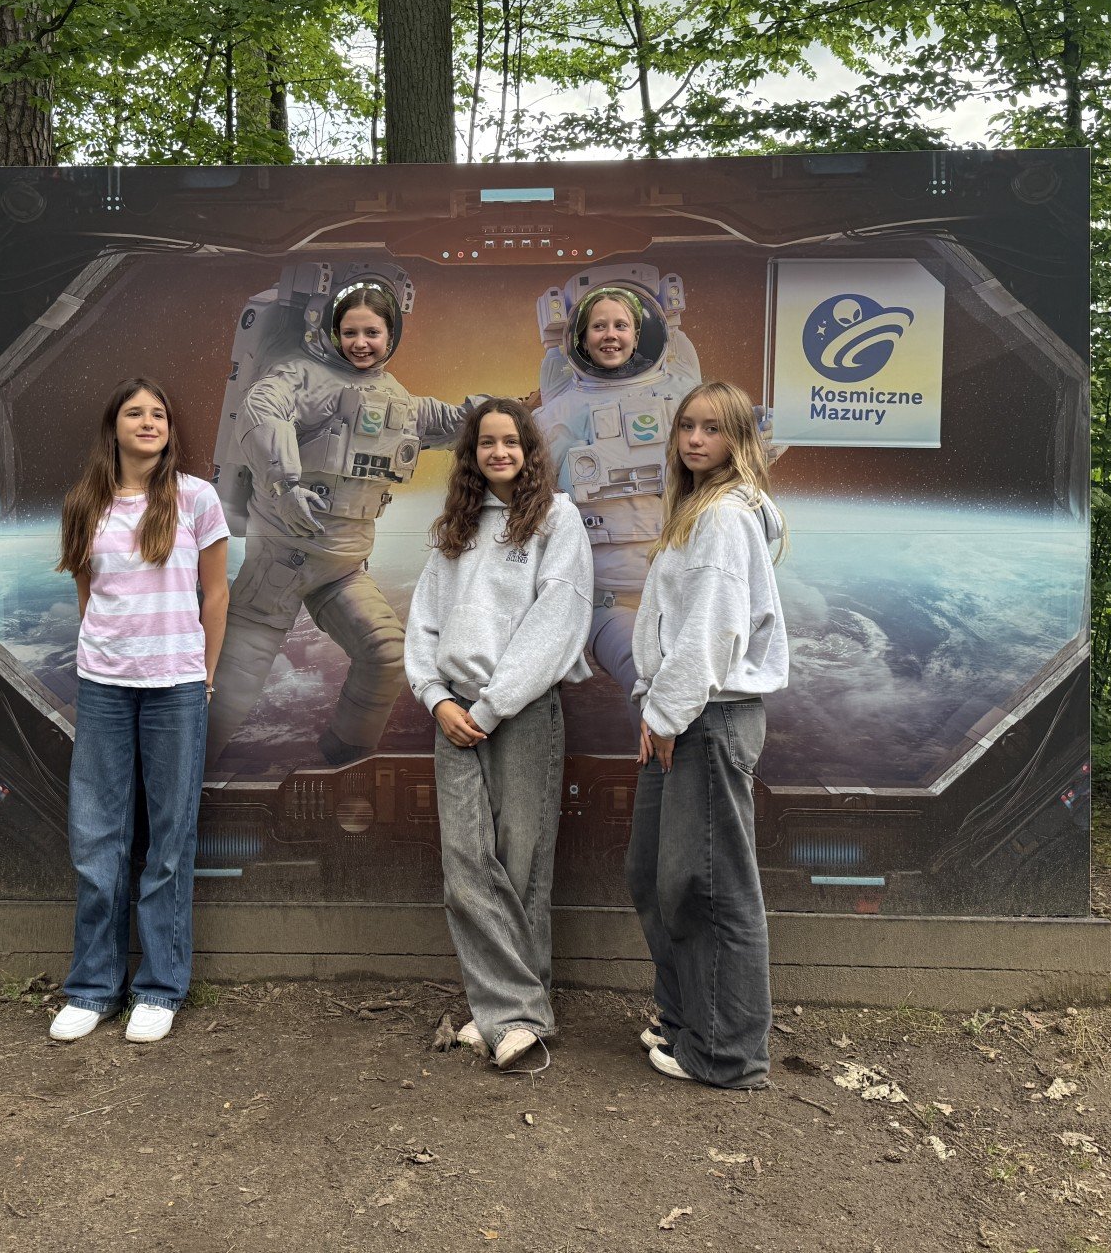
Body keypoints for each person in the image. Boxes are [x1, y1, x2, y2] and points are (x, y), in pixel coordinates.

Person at [208, 274, 468, 767]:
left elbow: (448, 422)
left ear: (391, 336)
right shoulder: (302, 375)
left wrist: (512, 411)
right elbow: (262, 409)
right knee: (231, 687)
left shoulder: (395, 394)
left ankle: (344, 761)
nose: (361, 343)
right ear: (332, 331)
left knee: (386, 656)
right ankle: (183, 781)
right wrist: (285, 485)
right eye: (350, 332)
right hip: (283, 561)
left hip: (342, 568)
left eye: (372, 333)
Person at [404, 398, 593, 1069]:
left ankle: (511, 1013)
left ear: (530, 449)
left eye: (511, 441)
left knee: (522, 864)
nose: (499, 452)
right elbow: (424, 622)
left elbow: (556, 622)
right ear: (472, 453)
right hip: (452, 713)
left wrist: (491, 708)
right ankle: (513, 1011)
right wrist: (435, 697)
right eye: (487, 442)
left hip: (521, 710)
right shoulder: (455, 527)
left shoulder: (556, 519)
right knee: (466, 866)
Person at [48, 377, 229, 1045]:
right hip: (103, 687)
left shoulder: (196, 498)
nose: (148, 421)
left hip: (176, 686)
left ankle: (159, 987)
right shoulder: (84, 503)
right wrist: (103, 657)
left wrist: (205, 673)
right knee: (97, 837)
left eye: (158, 413)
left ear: (169, 429)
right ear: (114, 426)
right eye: (134, 412)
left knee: (169, 841)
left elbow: (216, 594)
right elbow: (87, 594)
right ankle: (93, 988)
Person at [626, 379, 788, 1088]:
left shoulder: (723, 516)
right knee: (654, 877)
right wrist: (658, 707)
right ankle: (685, 1016)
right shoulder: (699, 509)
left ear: (739, 439)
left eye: (713, 428)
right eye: (687, 425)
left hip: (707, 716)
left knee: (711, 887)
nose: (695, 439)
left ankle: (726, 1053)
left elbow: (713, 630)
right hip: (680, 711)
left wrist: (666, 715)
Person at [530, 275, 702, 709]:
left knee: (696, 697)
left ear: (638, 335)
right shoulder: (561, 413)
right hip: (609, 601)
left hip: (682, 590)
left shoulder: (684, 400)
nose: (610, 335)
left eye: (621, 325)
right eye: (599, 326)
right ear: (581, 338)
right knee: (651, 678)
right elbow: (530, 498)